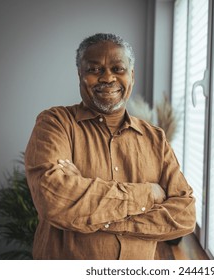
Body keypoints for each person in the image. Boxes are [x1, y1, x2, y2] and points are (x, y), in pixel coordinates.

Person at [24, 33, 196, 260]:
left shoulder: (156, 139)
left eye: (118, 69)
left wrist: (91, 217)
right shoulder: (55, 123)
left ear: (131, 76)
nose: (107, 78)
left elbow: (185, 216)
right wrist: (148, 194)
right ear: (80, 75)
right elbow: (54, 200)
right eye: (94, 70)